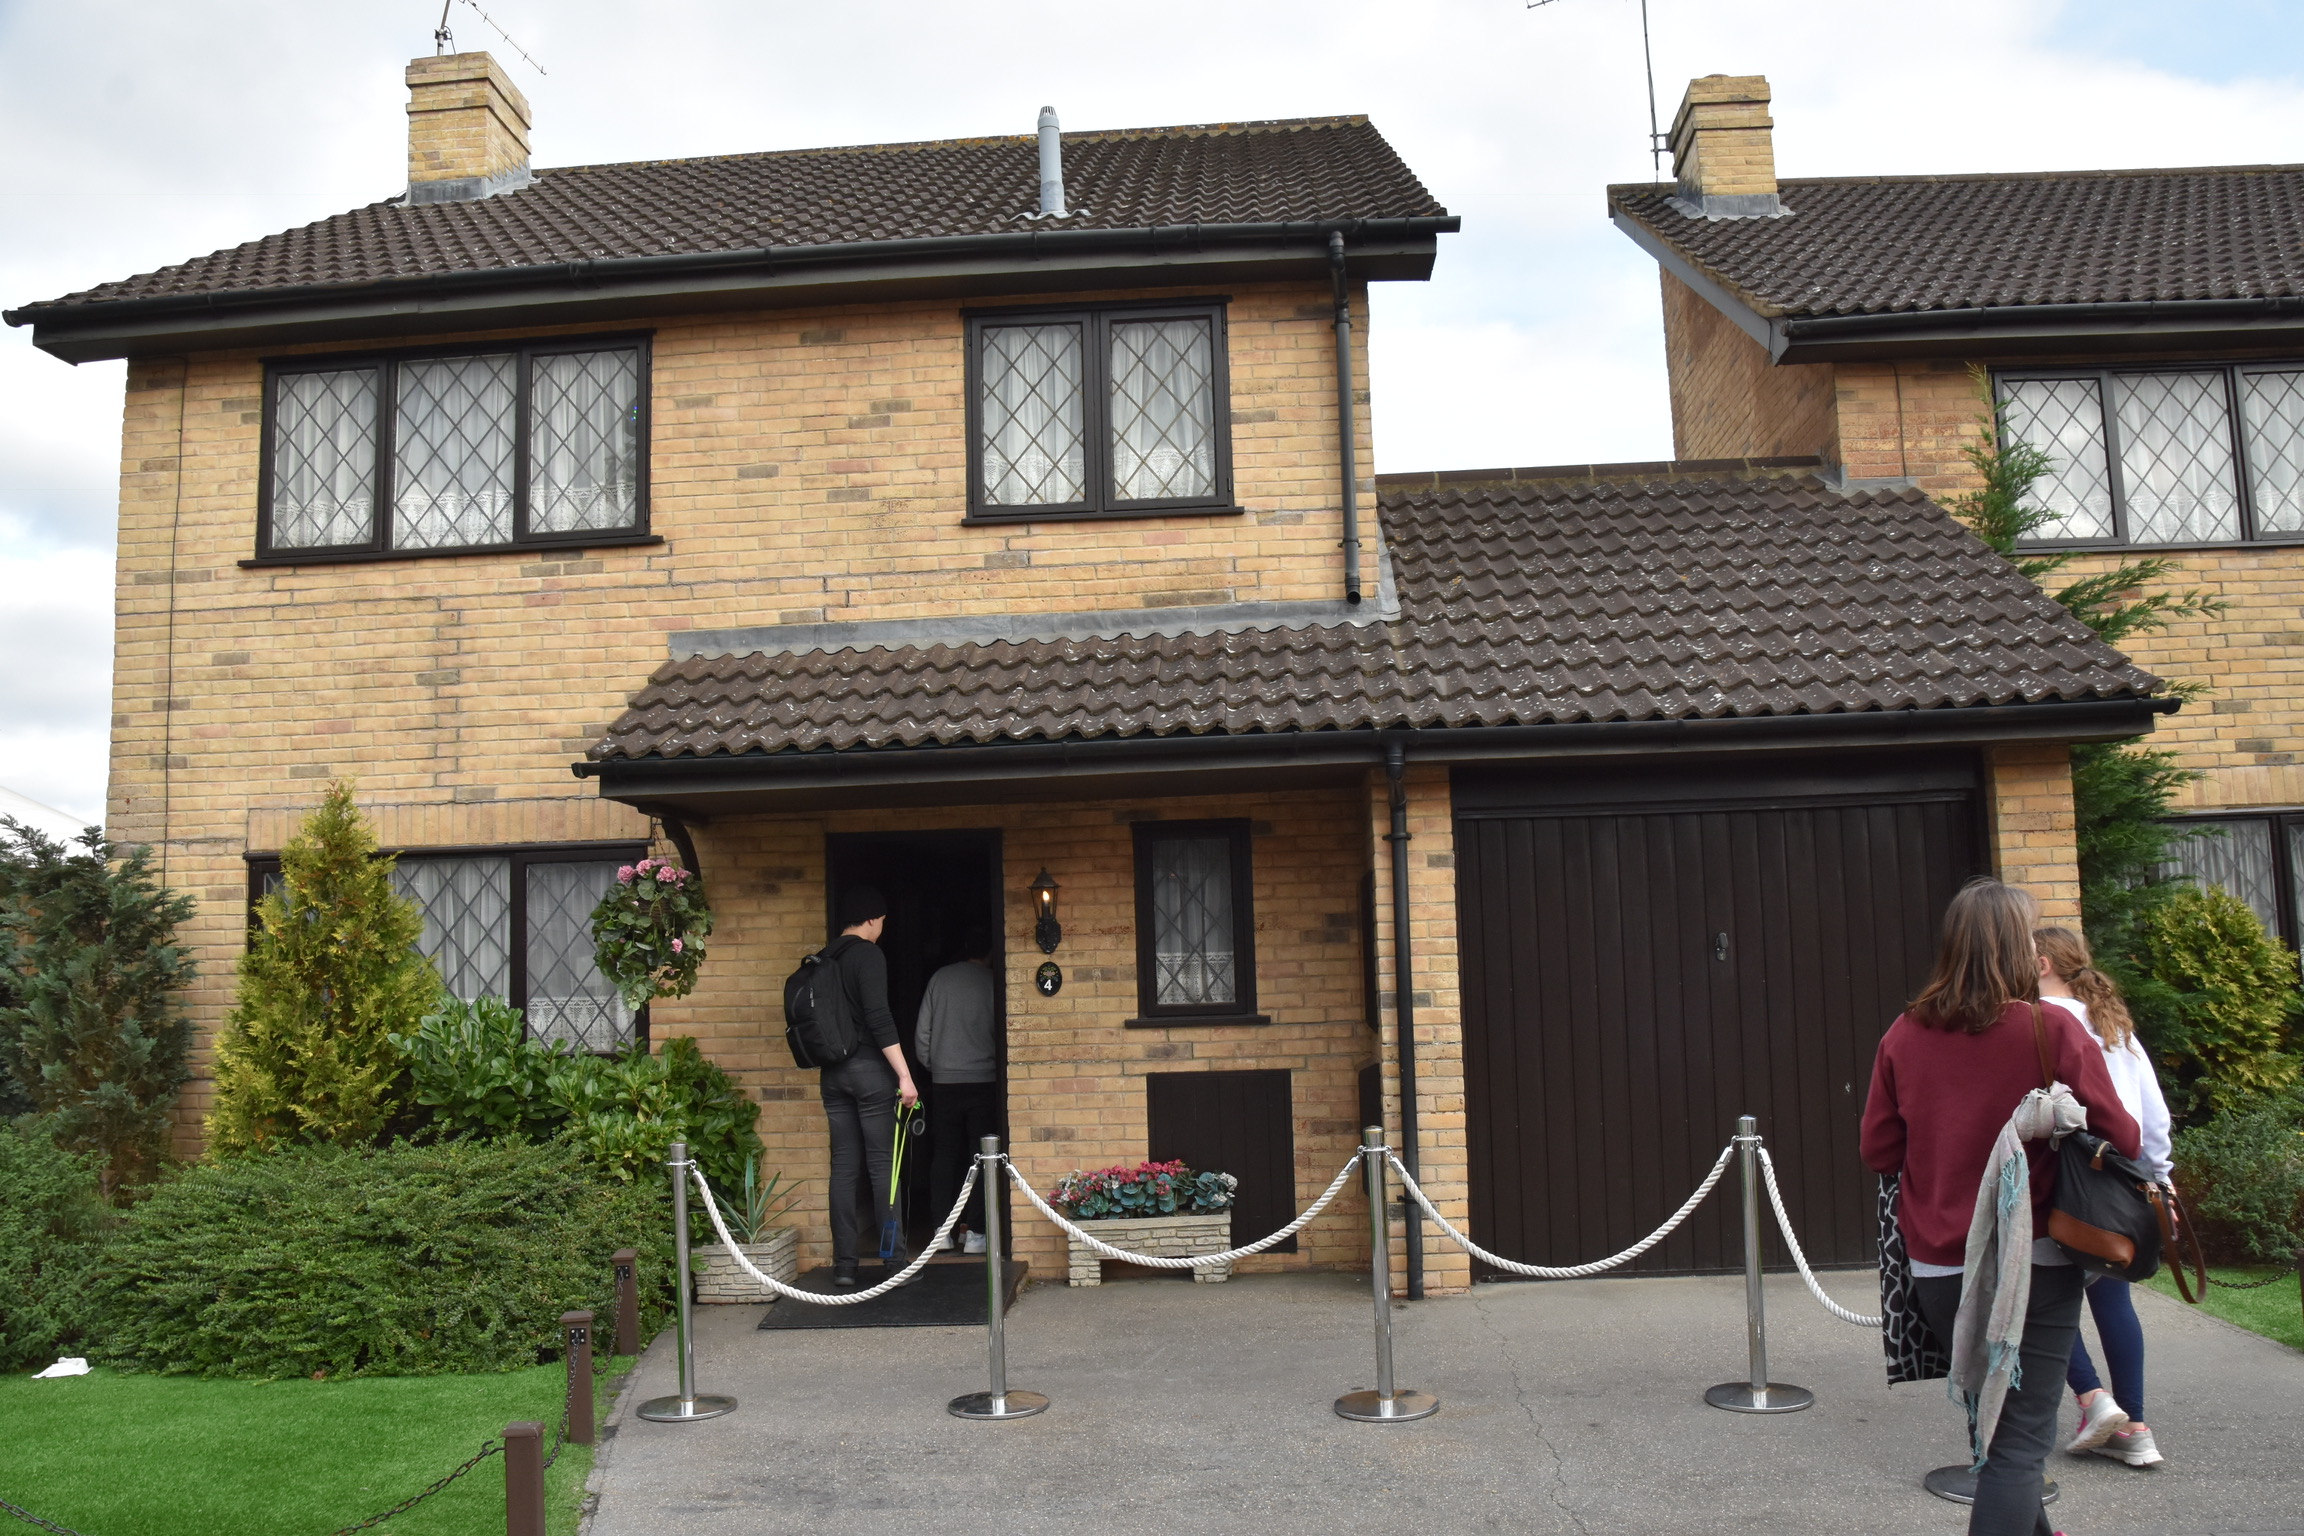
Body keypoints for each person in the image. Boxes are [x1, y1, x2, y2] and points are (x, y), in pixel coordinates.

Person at [1861, 877, 2141, 1536]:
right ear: (2019, 948)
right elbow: (2123, 1138)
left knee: (1997, 1430)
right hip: (2032, 1259)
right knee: (2017, 1445)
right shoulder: (2050, 1029)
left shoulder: (1904, 1034)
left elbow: (1878, 1150)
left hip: (1938, 1265)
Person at [2036, 925, 2175, 1470]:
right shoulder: (2115, 1026)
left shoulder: (2039, 1022)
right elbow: (2153, 1115)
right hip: (2121, 1181)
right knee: (2114, 1297)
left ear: (2042, 964)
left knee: (2040, 1297)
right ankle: (2135, 1428)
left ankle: (2094, 1400)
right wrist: (2160, 1180)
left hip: (2060, 1182)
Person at [819, 884, 920, 1288]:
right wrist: (905, 1075)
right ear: (873, 919)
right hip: (869, 1071)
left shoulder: (824, 956)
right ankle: (893, 1262)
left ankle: (845, 1265)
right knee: (883, 1169)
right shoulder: (868, 954)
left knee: (843, 1169)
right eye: (882, 922)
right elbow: (879, 1018)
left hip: (832, 1073)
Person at [915, 929, 999, 1256]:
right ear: (990, 951)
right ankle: (976, 1233)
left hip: (944, 1082)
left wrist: (934, 1066)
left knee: (944, 1155)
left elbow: (923, 1034)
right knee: (980, 1156)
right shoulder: (993, 982)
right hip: (984, 1080)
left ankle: (942, 1231)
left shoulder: (940, 979)